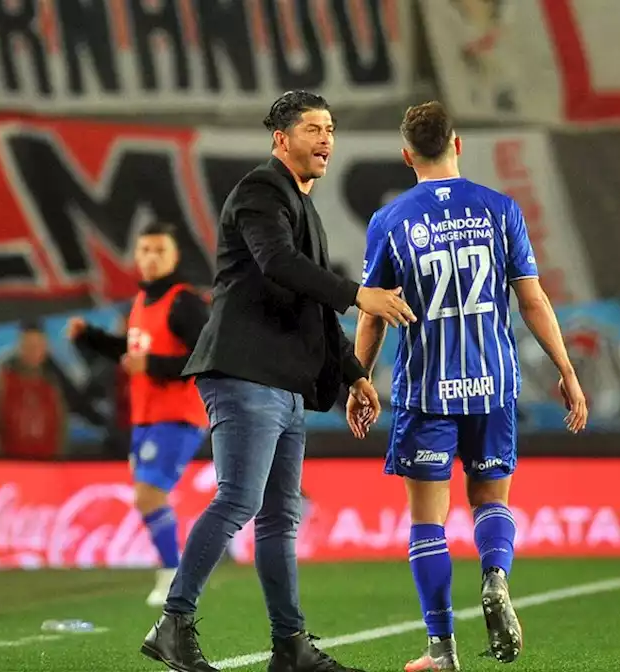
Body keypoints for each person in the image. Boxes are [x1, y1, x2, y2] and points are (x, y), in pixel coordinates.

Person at [138, 91, 415, 672]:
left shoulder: (301, 206)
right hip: (244, 374)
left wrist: (355, 375)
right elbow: (278, 265)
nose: (326, 139)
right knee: (240, 498)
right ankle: (174, 622)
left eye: (331, 128)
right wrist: (357, 294)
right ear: (280, 139)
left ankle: (289, 647)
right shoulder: (262, 191)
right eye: (313, 128)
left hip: (281, 382)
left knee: (279, 516)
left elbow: (309, 302)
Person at [346, 101, 589, 671]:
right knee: (490, 501)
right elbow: (531, 298)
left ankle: (442, 650)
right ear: (457, 145)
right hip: (492, 386)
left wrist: (358, 379)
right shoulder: (501, 209)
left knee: (428, 520)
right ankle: (496, 577)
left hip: (426, 390)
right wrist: (567, 371)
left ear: (407, 156)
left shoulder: (391, 221)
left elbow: (373, 313)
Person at [66, 222, 211, 607]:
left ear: (175, 256)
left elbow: (205, 357)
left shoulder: (184, 302)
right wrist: (90, 337)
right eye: (145, 250)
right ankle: (175, 571)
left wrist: (153, 365)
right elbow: (132, 354)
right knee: (148, 496)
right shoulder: (141, 302)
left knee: (147, 495)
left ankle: (173, 575)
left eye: (159, 250)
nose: (150, 257)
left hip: (177, 414)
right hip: (145, 417)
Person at [0, 320, 69, 459]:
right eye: (29, 346)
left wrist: (58, 461)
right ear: (20, 348)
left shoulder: (52, 386)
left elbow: (62, 429)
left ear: (45, 349)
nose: (34, 352)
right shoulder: (0, 382)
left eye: (39, 346)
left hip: (47, 468)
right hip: (10, 468)